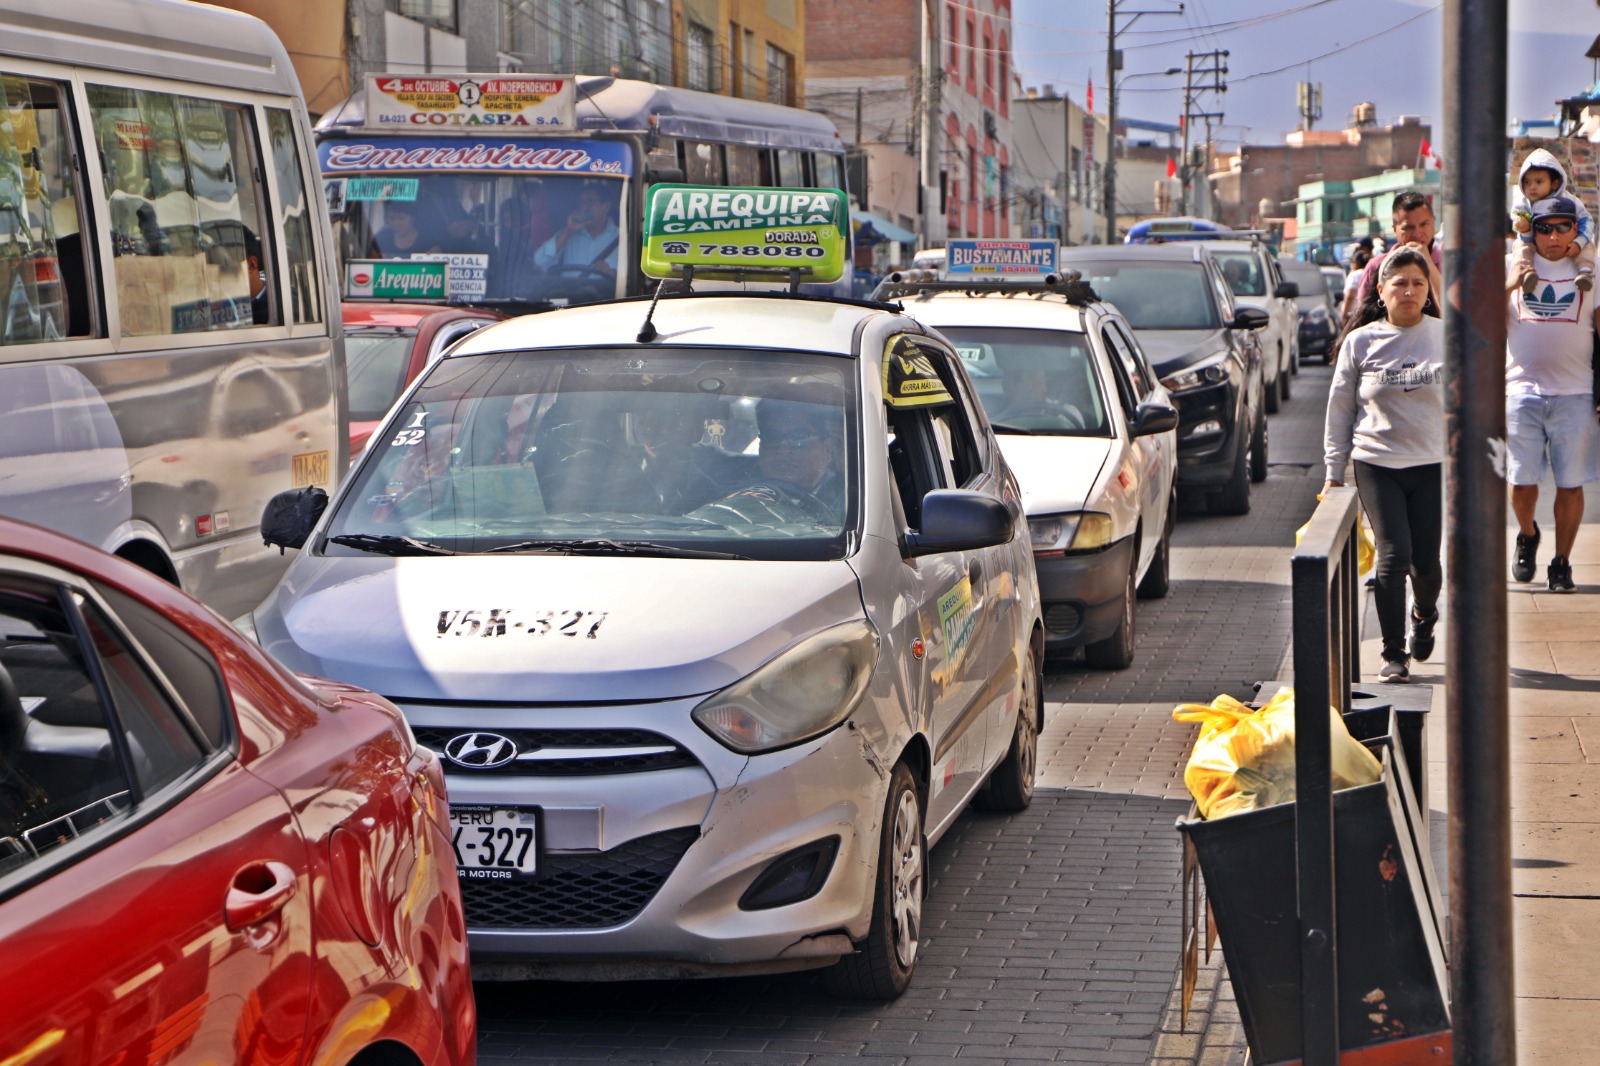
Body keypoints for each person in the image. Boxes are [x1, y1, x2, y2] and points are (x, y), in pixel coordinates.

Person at [1324, 247, 1445, 683]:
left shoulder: (1445, 337)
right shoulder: (1361, 341)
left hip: (1431, 464)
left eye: (1418, 283)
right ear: (1381, 290)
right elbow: (1339, 409)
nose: (1409, 291)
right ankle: (1393, 653)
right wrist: (1332, 472)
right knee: (1393, 557)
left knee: (1426, 564)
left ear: (1428, 290)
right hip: (1376, 462)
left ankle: (1424, 612)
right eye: (1400, 284)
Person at [1505, 196, 1600, 592]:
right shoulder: (1513, 264)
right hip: (1521, 392)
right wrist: (1509, 283)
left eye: (1564, 226)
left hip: (1575, 394)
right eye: (1545, 227)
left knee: (1570, 483)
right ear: (1533, 230)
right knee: (1521, 484)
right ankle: (1527, 534)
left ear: (1576, 230)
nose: (1555, 235)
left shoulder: (1592, 270)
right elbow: (1480, 323)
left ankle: (1561, 563)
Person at [694, 398, 843, 525]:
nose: (783, 450)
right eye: (773, 438)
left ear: (828, 448)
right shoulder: (725, 487)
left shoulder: (850, 503)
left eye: (798, 438)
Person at [1510, 148, 1594, 294]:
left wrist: (1578, 242)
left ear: (1554, 184)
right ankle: (1525, 272)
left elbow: (1587, 221)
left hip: (1570, 244)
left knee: (1588, 245)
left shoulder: (1570, 200)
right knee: (1520, 246)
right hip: (1530, 240)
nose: (1533, 187)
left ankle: (1585, 272)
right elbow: (1517, 220)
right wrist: (1523, 227)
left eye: (1539, 181)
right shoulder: (1522, 203)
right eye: (1527, 182)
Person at [1356, 191, 1443, 310]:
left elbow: (1454, 313)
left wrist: (1428, 263)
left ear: (1434, 222)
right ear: (1395, 229)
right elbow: (1363, 314)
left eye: (1424, 224)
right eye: (1408, 227)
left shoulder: (1449, 265)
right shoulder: (1376, 266)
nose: (1417, 234)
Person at [533, 182, 619, 276]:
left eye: (591, 202)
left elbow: (632, 277)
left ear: (606, 207)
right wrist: (568, 231)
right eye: (582, 203)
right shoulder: (569, 233)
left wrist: (611, 273)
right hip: (569, 290)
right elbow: (539, 262)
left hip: (606, 290)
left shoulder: (621, 238)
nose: (585, 208)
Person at [372, 203, 439, 257]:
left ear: (412, 218)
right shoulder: (382, 238)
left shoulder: (428, 241)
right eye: (392, 218)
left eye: (401, 218)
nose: (395, 223)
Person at [1341, 246, 1372, 329]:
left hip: (1355, 316)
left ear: (1355, 263)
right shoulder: (1372, 273)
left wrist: (1344, 316)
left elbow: (1350, 296)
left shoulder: (1354, 275)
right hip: (1372, 315)